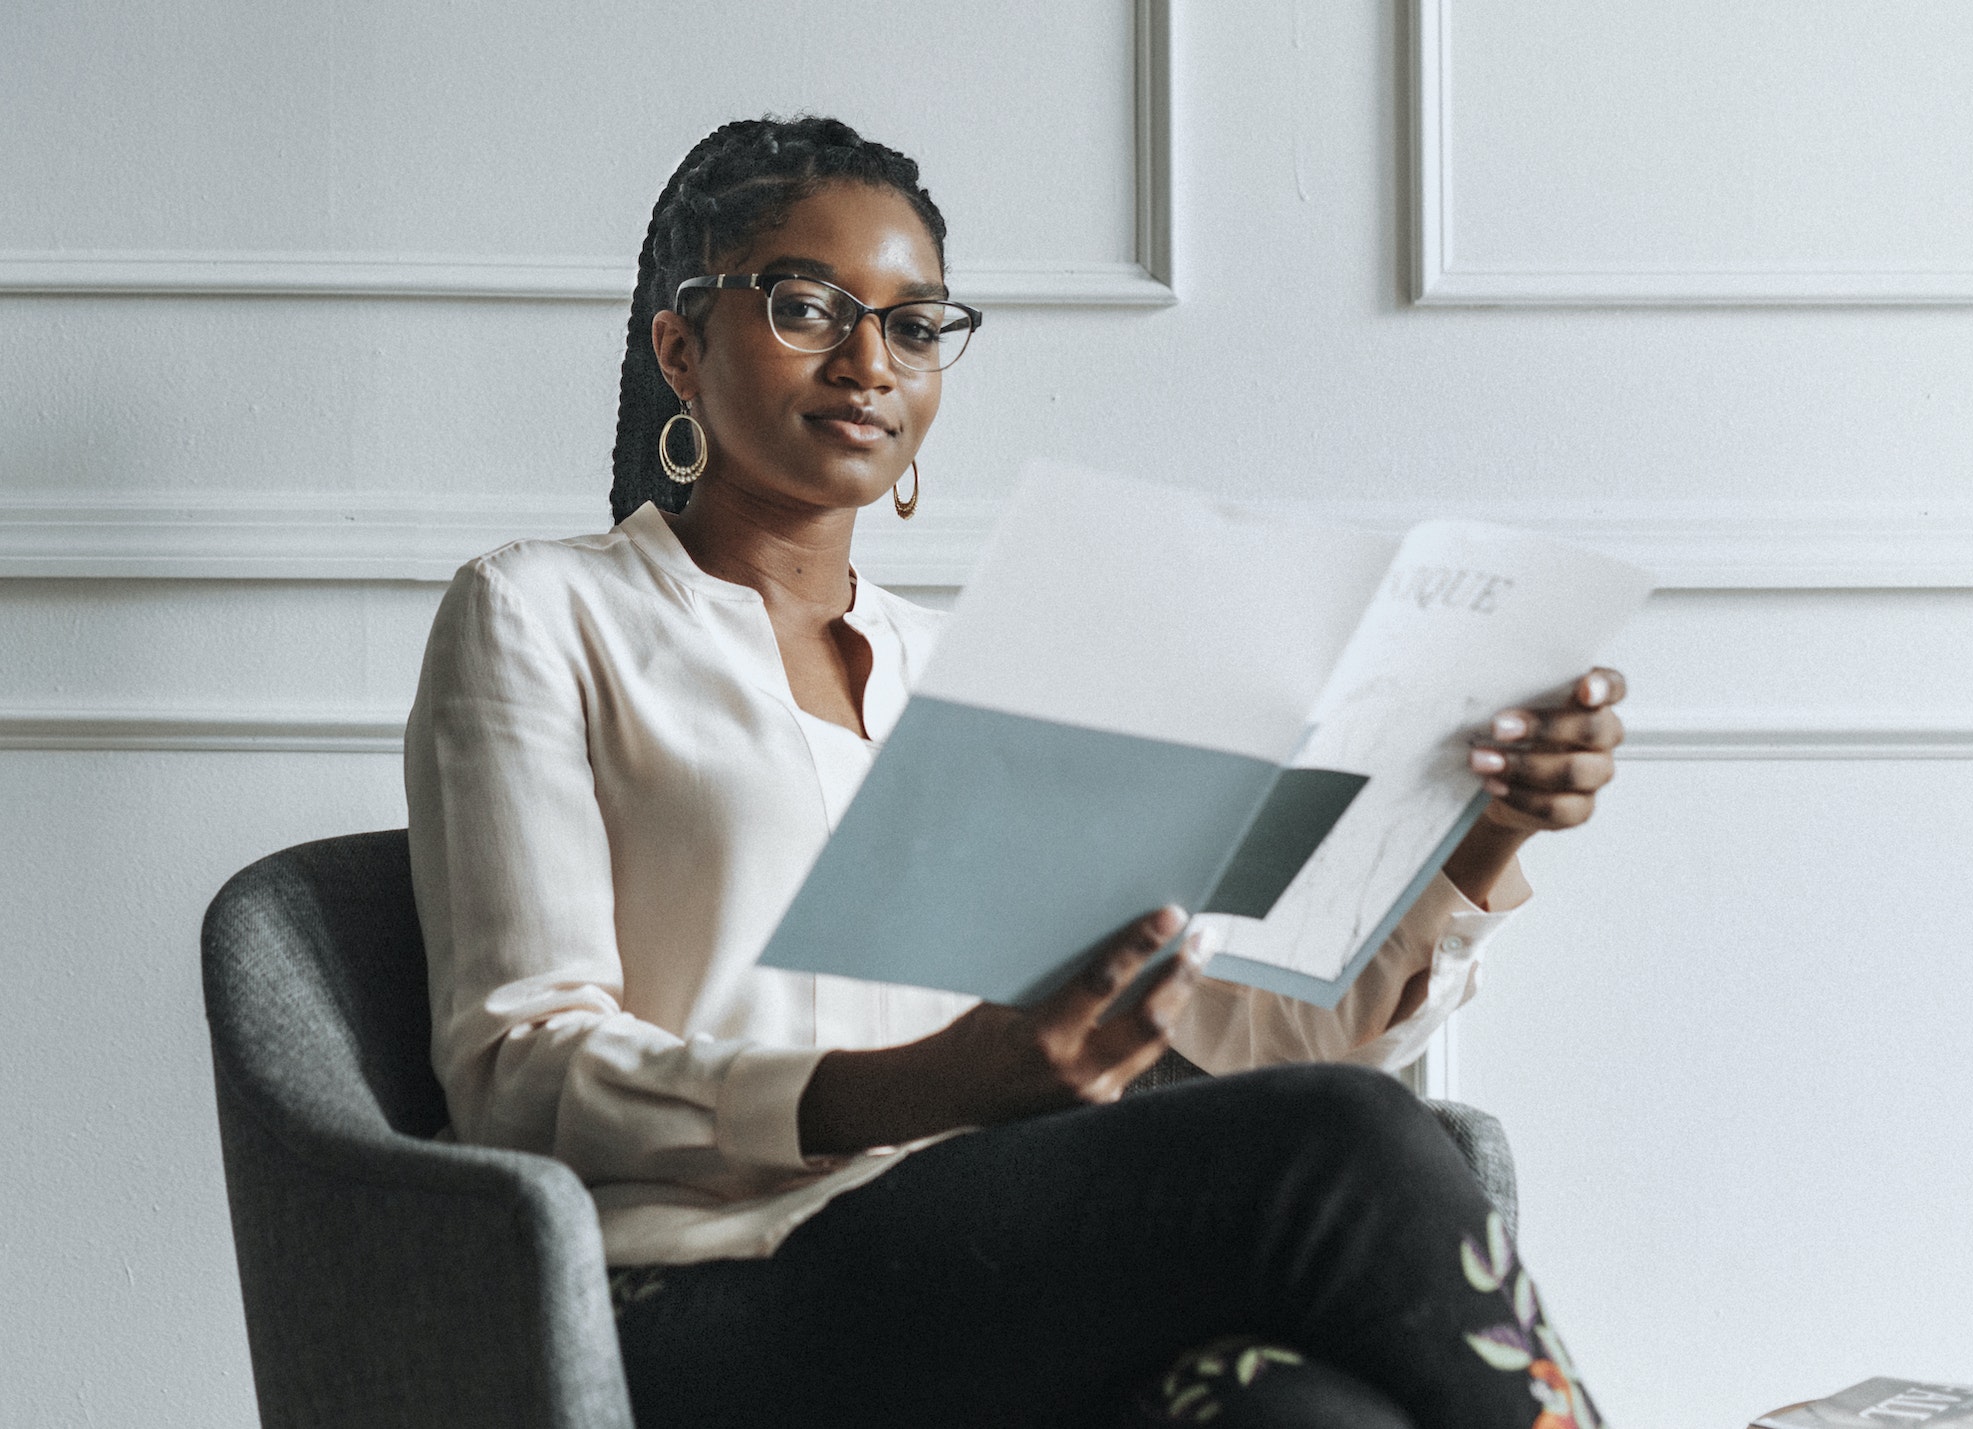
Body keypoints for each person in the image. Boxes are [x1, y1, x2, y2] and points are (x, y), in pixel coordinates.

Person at [405, 115, 1626, 1429]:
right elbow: (516, 1069)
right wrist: (926, 1083)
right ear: (680, 346)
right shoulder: (538, 614)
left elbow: (1227, 1041)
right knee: (1347, 1143)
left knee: (1300, 1414)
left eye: (915, 324)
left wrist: (1478, 839)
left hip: (993, 1274)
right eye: (809, 307)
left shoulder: (964, 671)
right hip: (706, 1295)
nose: (868, 360)